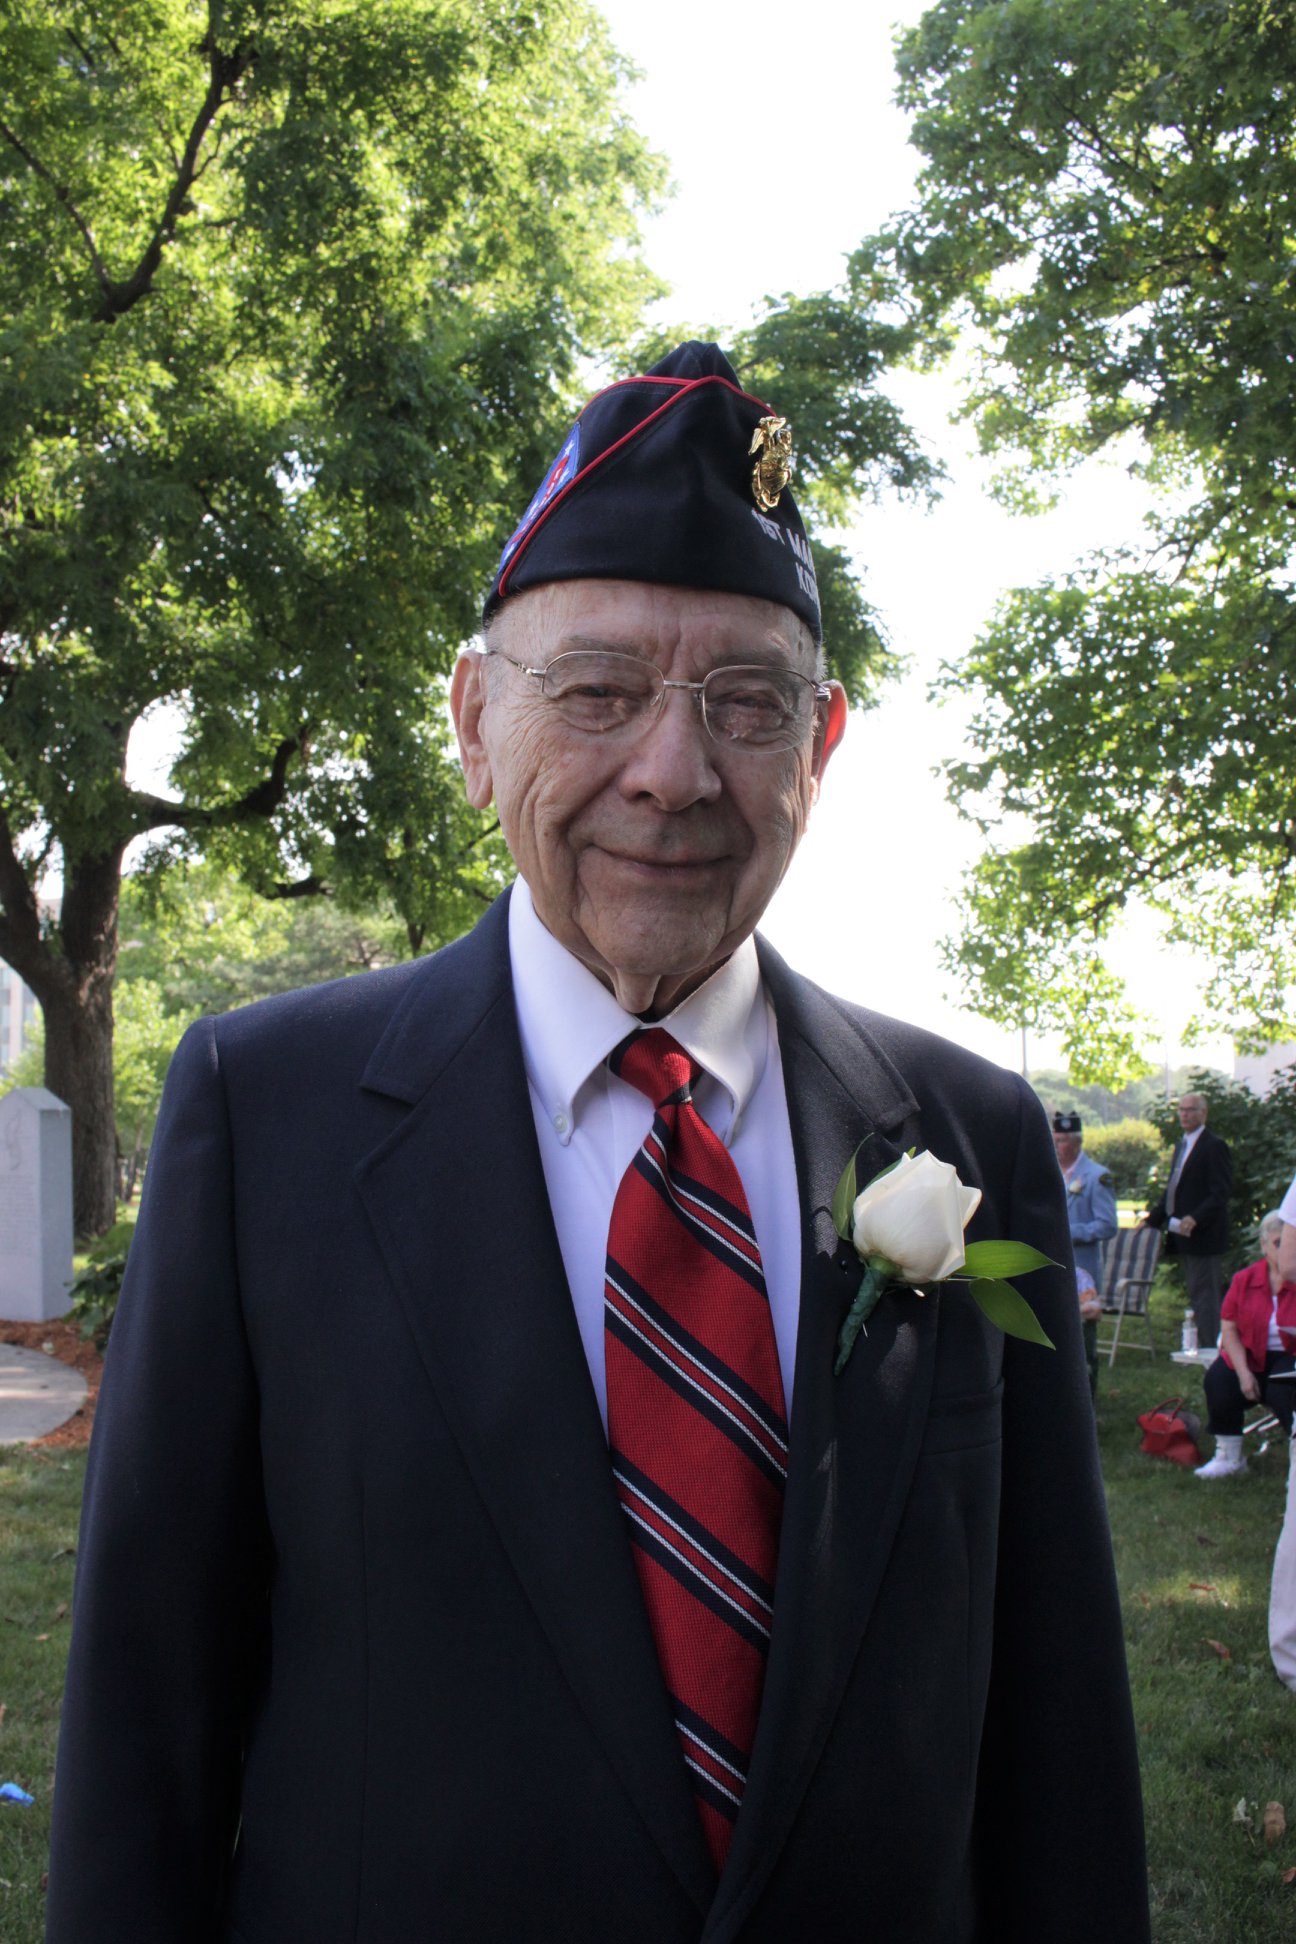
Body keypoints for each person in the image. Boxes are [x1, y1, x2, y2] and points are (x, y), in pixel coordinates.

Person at [45, 342, 1150, 1942]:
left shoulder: (970, 1132)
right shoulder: (264, 1114)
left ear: (821, 749)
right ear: (476, 721)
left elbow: (1055, 1731)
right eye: (602, 692)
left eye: (747, 705)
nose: (674, 771)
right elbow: (148, 1723)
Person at [1194, 1214, 1296, 1478]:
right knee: (1219, 1378)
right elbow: (1228, 1328)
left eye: (1289, 1243)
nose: (1284, 1249)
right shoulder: (1245, 1279)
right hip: (1250, 1353)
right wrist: (1243, 1373)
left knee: (1283, 1386)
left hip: (1290, 1354)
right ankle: (1229, 1455)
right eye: (1277, 1242)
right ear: (1263, 1246)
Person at [1144, 1092, 1232, 1347]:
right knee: (1196, 1291)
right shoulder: (1182, 1145)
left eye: (1190, 1109)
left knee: (1206, 1293)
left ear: (1203, 1113)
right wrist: (1152, 1220)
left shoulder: (1214, 1145)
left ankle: (1209, 1349)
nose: (1184, 1114)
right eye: (1181, 1109)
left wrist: (1196, 1217)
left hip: (1205, 1235)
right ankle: (1202, 1343)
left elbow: (1221, 1192)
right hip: (1182, 1234)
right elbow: (1174, 1189)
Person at [1051, 1110, 1118, 1288]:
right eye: (1054, 1140)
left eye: (1062, 1141)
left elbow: (1107, 1225)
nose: (1056, 1146)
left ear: (1077, 1143)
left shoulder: (1098, 1177)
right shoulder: (1049, 1175)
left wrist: (1067, 1233)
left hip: (1082, 1268)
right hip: (1051, 1264)